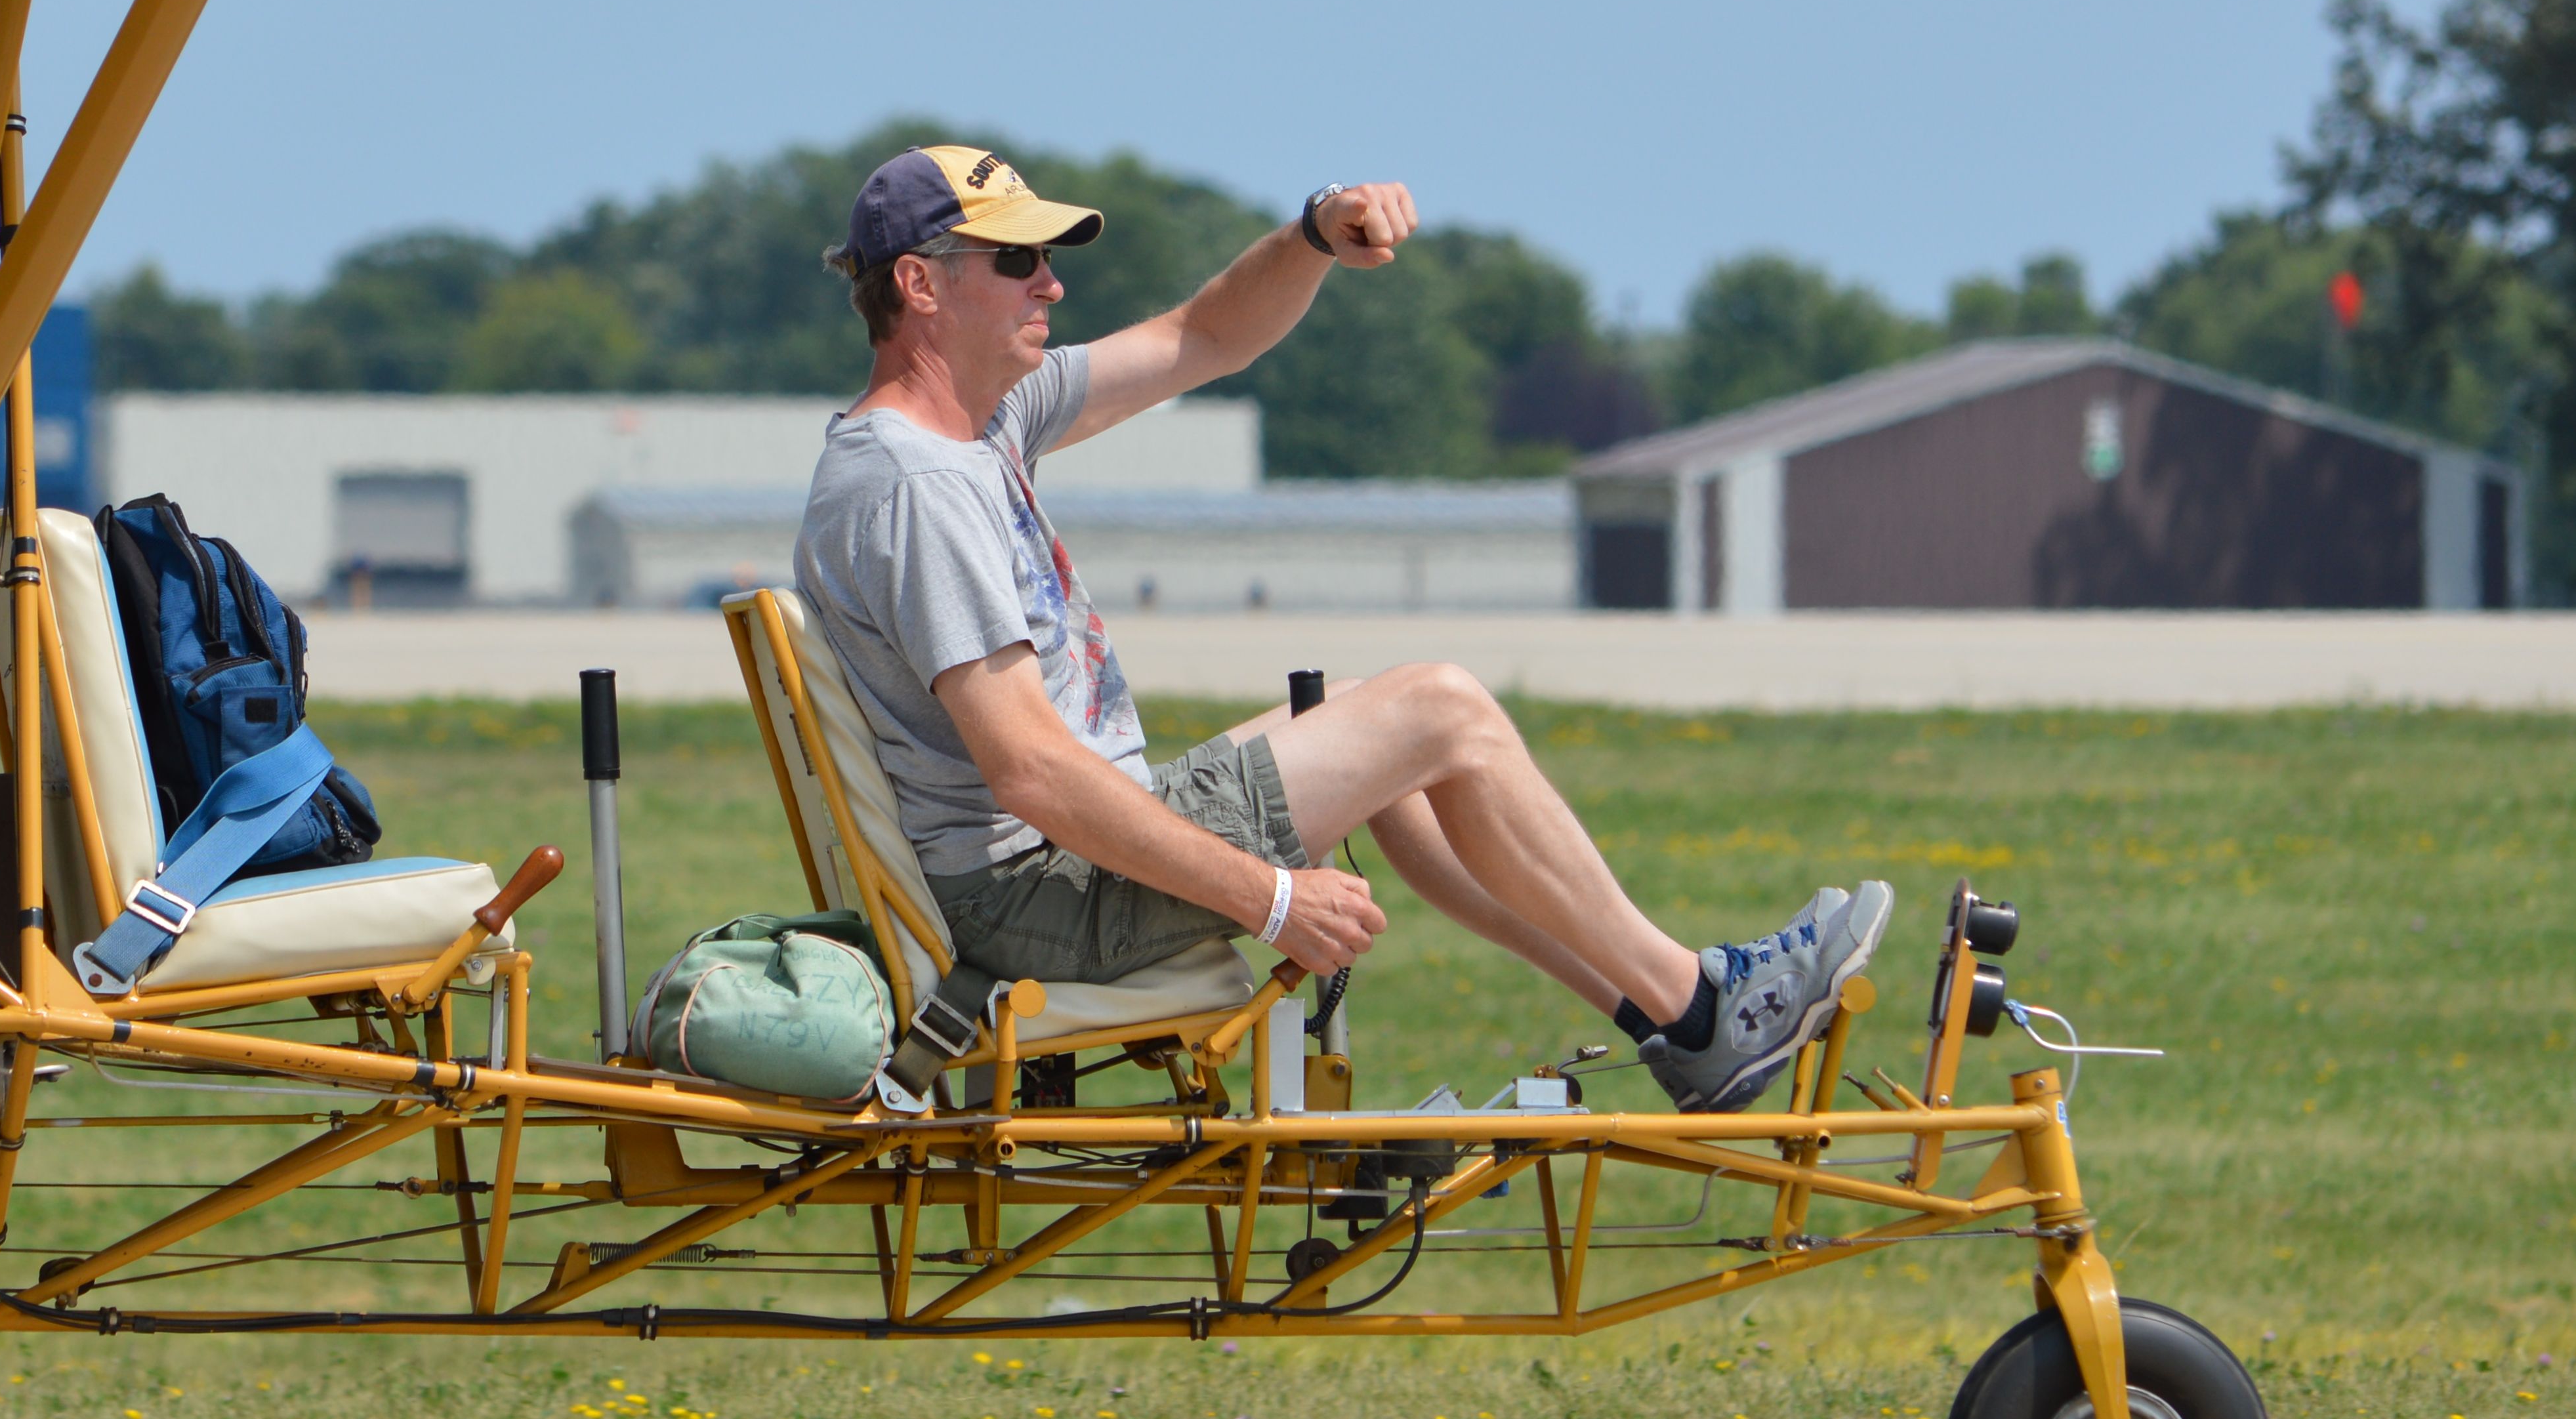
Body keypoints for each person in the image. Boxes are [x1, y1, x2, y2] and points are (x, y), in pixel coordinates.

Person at [792, 144, 1888, 1112]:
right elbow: (1030, 770)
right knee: (1440, 709)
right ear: (920, 285)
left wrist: (1316, 231)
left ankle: (1669, 1021)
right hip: (1037, 901)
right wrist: (1269, 902)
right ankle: (1705, 1013)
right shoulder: (918, 486)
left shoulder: (981, 428)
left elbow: (1203, 334)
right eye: (1019, 263)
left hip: (1045, 875)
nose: (1053, 282)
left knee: (1379, 737)